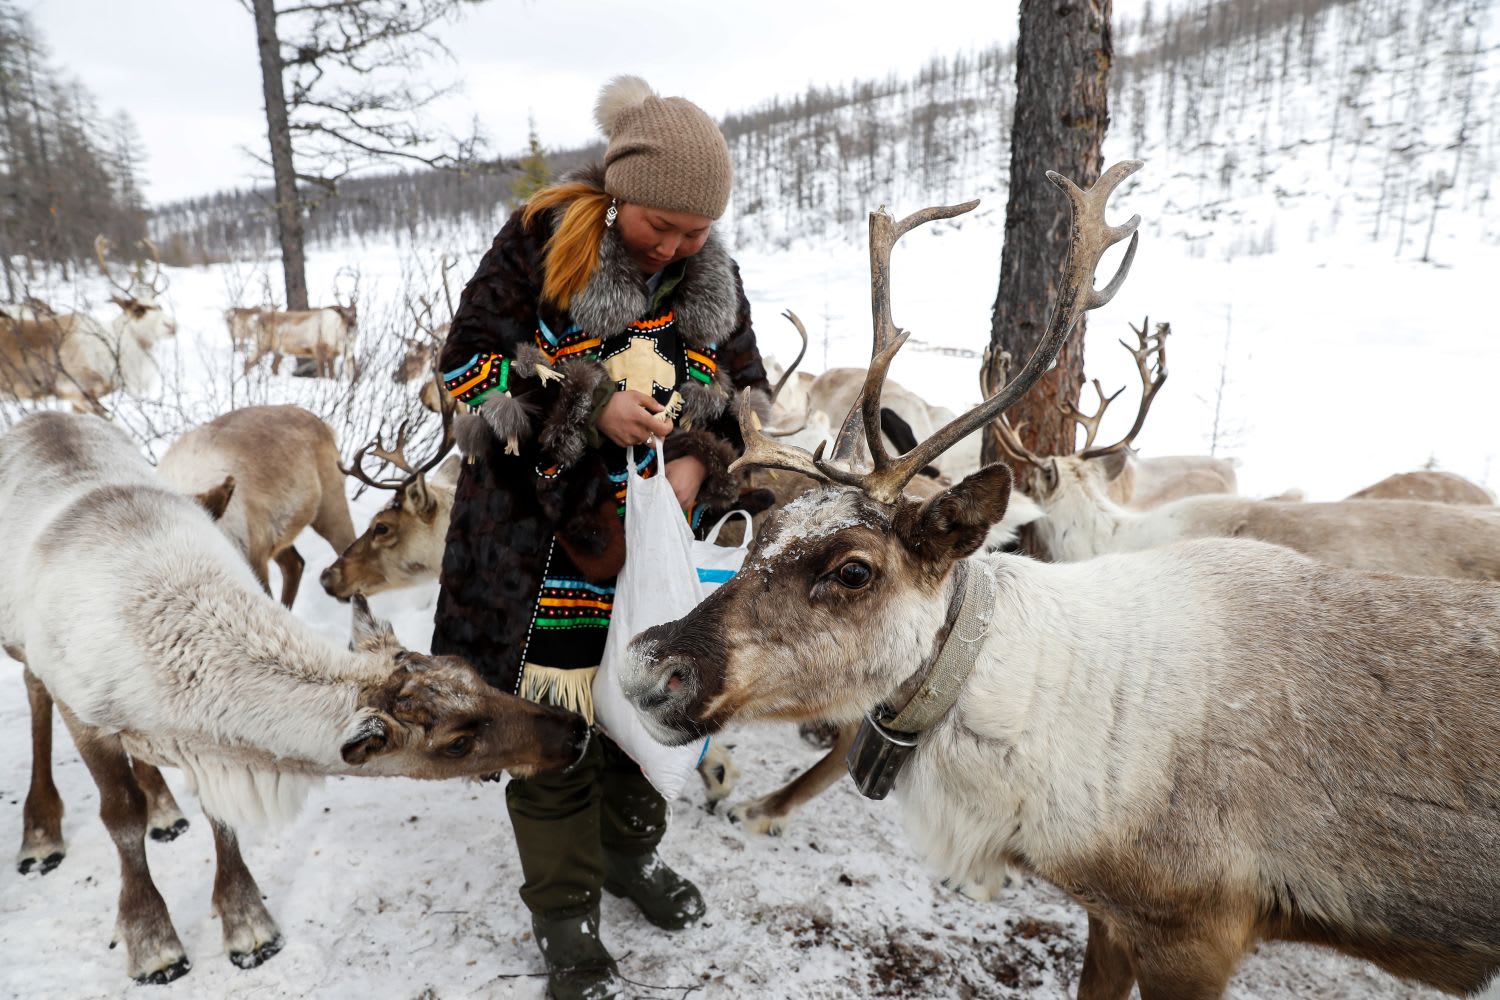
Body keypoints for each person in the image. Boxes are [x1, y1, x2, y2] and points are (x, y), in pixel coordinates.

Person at [432, 75, 771, 1000]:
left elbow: (745, 389)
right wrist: (588, 401)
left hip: (660, 544)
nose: (676, 245)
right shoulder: (541, 244)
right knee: (556, 729)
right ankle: (567, 914)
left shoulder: (711, 280)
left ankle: (632, 857)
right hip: (538, 545)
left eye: (695, 231)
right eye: (660, 226)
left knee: (647, 712)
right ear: (619, 194)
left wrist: (702, 456)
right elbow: (464, 365)